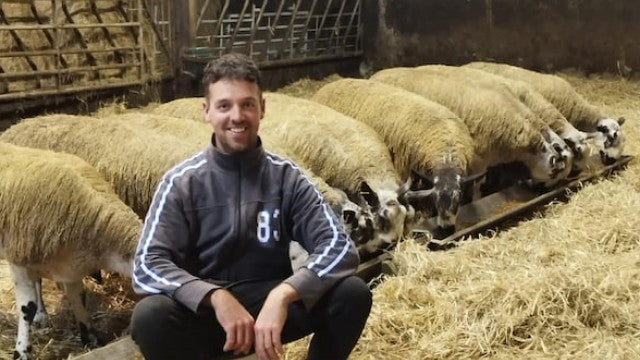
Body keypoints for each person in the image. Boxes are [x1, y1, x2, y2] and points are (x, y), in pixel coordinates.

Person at [130, 53, 372, 360]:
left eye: (247, 104)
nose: (237, 116)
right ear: (206, 111)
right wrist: (214, 296)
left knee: (351, 293)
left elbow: (340, 248)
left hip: (269, 308)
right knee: (150, 315)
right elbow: (147, 264)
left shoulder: (287, 178)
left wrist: (285, 294)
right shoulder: (181, 182)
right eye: (224, 105)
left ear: (262, 108)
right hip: (206, 315)